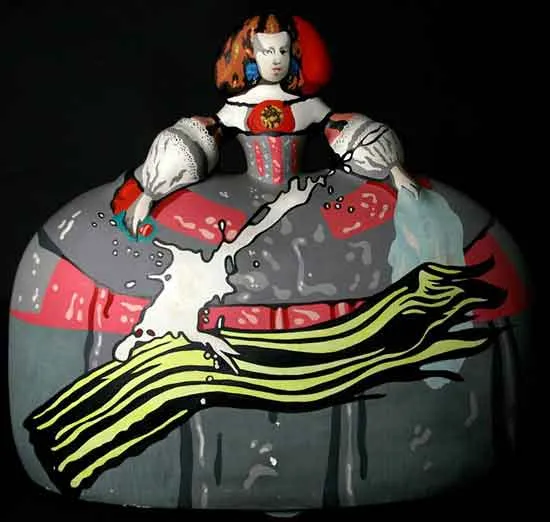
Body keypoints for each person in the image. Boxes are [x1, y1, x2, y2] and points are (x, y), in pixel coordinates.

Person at [111, 13, 420, 237]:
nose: (276, 59)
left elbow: (354, 132)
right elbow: (192, 143)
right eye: (267, 51)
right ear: (250, 55)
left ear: (293, 54)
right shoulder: (238, 108)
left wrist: (392, 169)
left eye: (282, 51)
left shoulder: (307, 105)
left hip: (306, 195)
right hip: (245, 202)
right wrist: (151, 192)